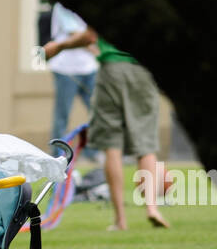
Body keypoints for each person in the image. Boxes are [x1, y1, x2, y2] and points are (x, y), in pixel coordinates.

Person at [45, 27, 172, 230]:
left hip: (111, 69)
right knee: (145, 145)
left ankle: (120, 220)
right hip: (142, 70)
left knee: (112, 146)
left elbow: (89, 35)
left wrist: (60, 46)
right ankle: (152, 209)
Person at [46, 3, 98, 159]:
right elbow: (76, 33)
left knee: (98, 112)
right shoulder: (62, 5)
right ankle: (58, 156)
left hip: (89, 67)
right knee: (62, 115)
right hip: (65, 69)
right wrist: (96, 49)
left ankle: (94, 152)